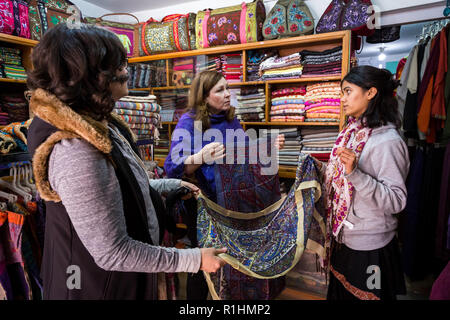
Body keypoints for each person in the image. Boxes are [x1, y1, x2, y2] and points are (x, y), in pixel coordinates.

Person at [26, 23, 226, 300]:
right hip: (94, 287)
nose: (125, 70)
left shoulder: (102, 126)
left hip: (117, 281)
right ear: (90, 75)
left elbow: (120, 189)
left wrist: (170, 184)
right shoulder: (76, 149)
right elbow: (112, 252)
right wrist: (193, 259)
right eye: (117, 64)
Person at [164, 70, 285, 300]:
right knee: (202, 263)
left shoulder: (231, 120)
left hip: (233, 204)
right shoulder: (189, 122)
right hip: (203, 206)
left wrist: (267, 147)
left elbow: (244, 154)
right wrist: (201, 156)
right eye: (220, 90)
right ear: (204, 96)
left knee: (232, 259)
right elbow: (172, 167)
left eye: (227, 88)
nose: (228, 94)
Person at [314, 66, 409, 300]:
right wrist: (319, 169)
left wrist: (356, 174)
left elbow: (397, 200)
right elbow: (343, 180)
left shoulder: (388, 141)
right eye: (342, 92)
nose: (342, 98)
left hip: (370, 247)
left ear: (371, 92)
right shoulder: (353, 132)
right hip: (344, 237)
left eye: (348, 91)